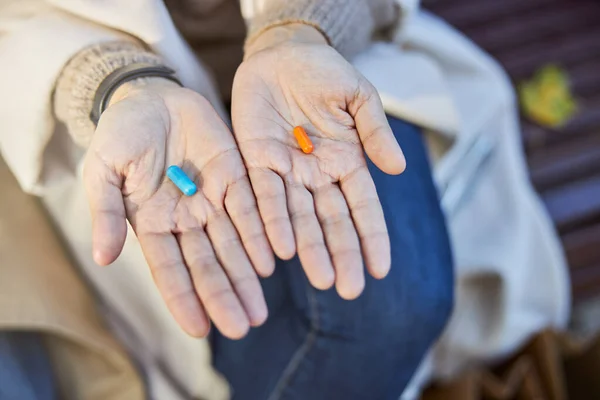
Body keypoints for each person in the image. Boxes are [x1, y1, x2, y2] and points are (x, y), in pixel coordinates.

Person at [0, 0, 453, 399]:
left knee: (395, 307)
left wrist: (297, 29)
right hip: (136, 105)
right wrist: (117, 83)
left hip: (317, 78)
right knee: (242, 305)